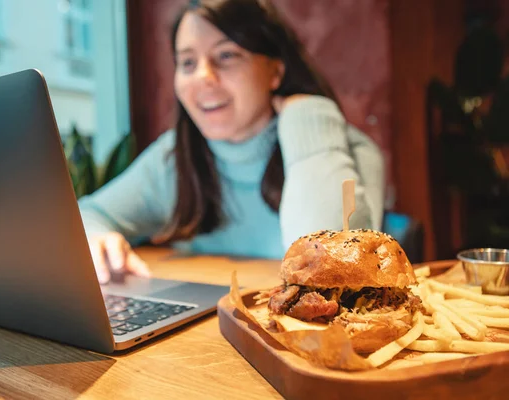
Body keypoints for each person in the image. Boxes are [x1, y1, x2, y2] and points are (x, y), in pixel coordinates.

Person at [78, 0, 385, 283]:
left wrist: (309, 118)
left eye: (226, 56)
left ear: (275, 70)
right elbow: (90, 213)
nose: (203, 77)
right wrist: (95, 236)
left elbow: (329, 267)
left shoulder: (348, 150)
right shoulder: (175, 157)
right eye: (187, 63)